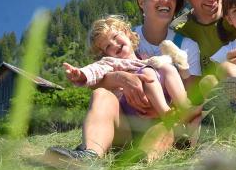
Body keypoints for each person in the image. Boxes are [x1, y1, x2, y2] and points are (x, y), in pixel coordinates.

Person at [46, 0, 202, 163]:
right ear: (141, 2)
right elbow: (97, 77)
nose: (164, 0)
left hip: (164, 120)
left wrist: (164, 108)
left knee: (165, 120)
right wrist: (122, 78)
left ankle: (140, 162)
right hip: (126, 122)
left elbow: (191, 91)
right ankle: (90, 157)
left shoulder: (185, 46)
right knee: (101, 94)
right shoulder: (125, 39)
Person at [62, 15, 194, 121]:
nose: (114, 45)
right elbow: (96, 69)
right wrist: (81, 74)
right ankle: (167, 114)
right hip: (132, 105)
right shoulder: (111, 62)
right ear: (105, 54)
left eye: (115, 37)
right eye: (107, 47)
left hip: (154, 102)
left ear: (127, 34)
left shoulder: (145, 58)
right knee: (147, 72)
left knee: (167, 68)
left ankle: (184, 108)